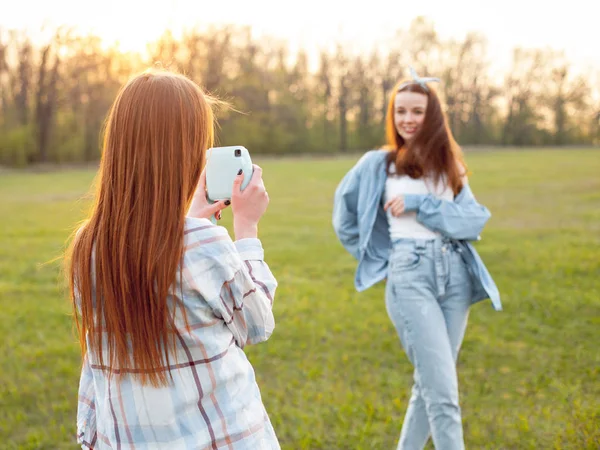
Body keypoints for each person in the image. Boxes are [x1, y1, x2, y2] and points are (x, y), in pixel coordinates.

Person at [66, 69, 280, 449]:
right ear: (187, 149)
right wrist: (246, 228)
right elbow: (256, 322)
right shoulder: (203, 243)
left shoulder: (88, 245)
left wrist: (190, 223)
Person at [332, 67, 501, 450]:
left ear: (433, 116)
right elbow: (344, 218)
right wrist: (381, 255)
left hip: (455, 275)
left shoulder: (449, 166)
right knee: (443, 392)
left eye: (417, 111)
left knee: (431, 382)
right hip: (409, 276)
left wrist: (418, 204)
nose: (408, 119)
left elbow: (474, 219)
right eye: (401, 111)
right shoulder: (379, 165)